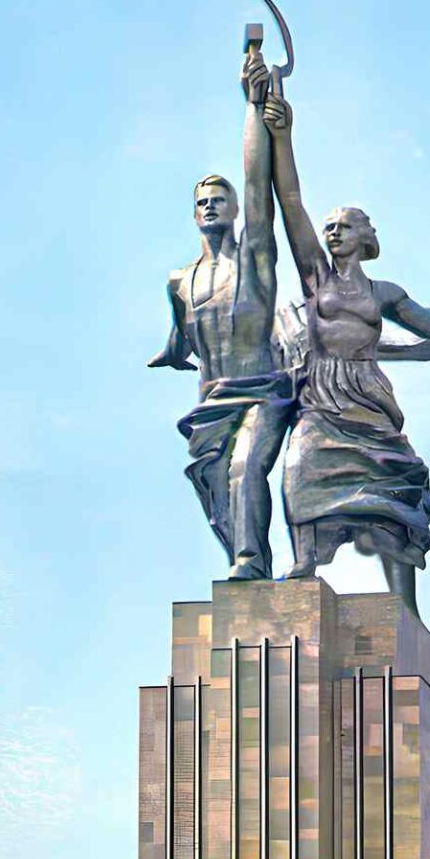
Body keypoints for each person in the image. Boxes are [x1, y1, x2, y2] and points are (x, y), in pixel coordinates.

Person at [261, 89, 430, 619]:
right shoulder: (315, 276)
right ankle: (304, 562)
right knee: (300, 468)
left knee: (393, 493)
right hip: (321, 397)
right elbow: (291, 201)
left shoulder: (383, 294)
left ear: (365, 237)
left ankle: (405, 607)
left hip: (368, 400)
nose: (332, 230)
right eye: (330, 226)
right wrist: (282, 135)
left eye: (345, 224)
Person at [149, 46, 292, 584]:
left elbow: (259, 185)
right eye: (202, 201)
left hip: (263, 391)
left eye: (220, 199)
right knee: (212, 483)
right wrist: (170, 354)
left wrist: (253, 105)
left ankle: (251, 562)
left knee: (243, 468)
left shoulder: (254, 259)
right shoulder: (179, 281)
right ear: (193, 214)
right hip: (211, 401)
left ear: (235, 211)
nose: (210, 206)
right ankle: (246, 560)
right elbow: (181, 334)